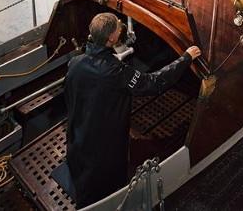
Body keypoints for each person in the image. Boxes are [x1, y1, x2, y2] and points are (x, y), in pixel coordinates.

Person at [65, 13, 201, 208]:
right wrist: (186, 58)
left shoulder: (75, 63)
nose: (121, 29)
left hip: (78, 138)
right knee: (103, 189)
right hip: (104, 148)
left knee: (84, 179)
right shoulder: (115, 72)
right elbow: (154, 83)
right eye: (118, 29)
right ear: (111, 38)